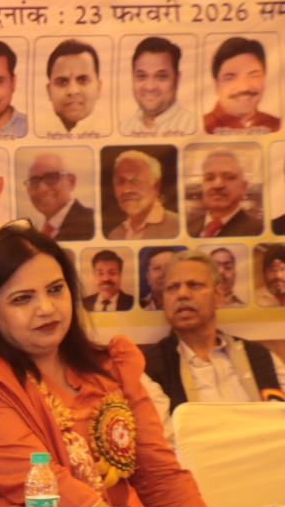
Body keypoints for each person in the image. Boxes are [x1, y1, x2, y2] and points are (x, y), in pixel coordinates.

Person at [0, 222, 208, 507]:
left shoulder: (111, 369)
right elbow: (44, 484)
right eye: (22, 298)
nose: (46, 308)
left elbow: (161, 477)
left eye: (55, 290)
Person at [141, 250, 283, 411]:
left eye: (194, 285)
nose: (182, 294)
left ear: (218, 295)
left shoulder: (260, 357)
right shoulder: (150, 369)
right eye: (173, 287)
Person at [119, 36, 198, 137]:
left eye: (161, 77)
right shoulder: (123, 129)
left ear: (177, 79)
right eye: (142, 76)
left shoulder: (195, 126)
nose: (150, 87)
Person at [203, 37, 279, 135]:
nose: (244, 87)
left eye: (254, 75)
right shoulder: (202, 127)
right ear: (216, 85)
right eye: (230, 78)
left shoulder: (277, 126)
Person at [39, 39, 109, 139]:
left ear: (98, 87)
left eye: (83, 80)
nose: (72, 91)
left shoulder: (111, 129)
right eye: (62, 82)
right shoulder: (36, 130)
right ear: (49, 91)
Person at [186, 148, 264, 237]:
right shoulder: (188, 227)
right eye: (209, 178)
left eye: (229, 177)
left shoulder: (259, 231)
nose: (217, 185)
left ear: (243, 187)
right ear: (202, 185)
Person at [106, 149, 178, 239]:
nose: (126, 190)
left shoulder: (178, 226)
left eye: (135, 181)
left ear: (156, 186)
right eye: (120, 181)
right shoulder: (114, 236)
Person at [22, 151, 94, 240]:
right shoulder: (35, 232)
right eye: (34, 181)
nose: (42, 189)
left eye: (51, 177)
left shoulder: (92, 223)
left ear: (71, 182)